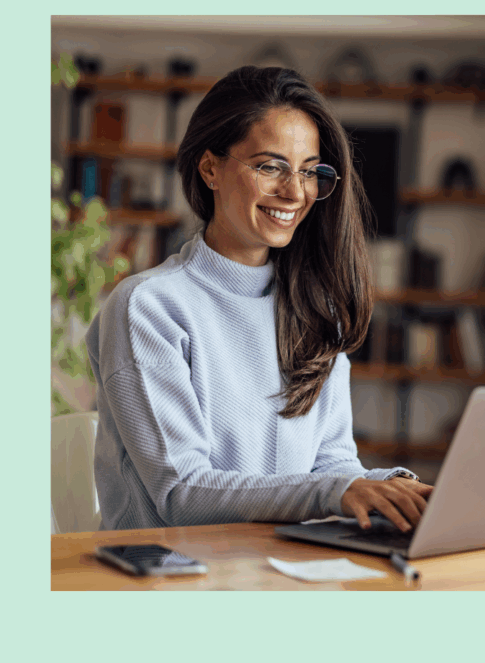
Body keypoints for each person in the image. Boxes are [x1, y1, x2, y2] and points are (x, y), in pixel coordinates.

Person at [86, 65, 433, 533]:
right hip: (170, 578)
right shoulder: (148, 307)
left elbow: (331, 465)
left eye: (309, 172)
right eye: (270, 166)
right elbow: (181, 494)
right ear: (210, 168)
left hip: (285, 570)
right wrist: (336, 493)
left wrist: (396, 488)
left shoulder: (315, 311)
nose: (294, 192)